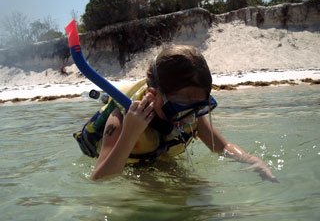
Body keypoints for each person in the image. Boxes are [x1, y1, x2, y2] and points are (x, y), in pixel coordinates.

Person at [74, 45, 277, 182]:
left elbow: (221, 147)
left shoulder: (192, 114)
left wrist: (252, 160)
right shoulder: (120, 121)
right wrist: (130, 134)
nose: (191, 117)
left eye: (200, 107)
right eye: (183, 107)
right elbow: (99, 179)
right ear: (154, 96)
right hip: (131, 170)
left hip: (159, 157)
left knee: (198, 188)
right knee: (167, 197)